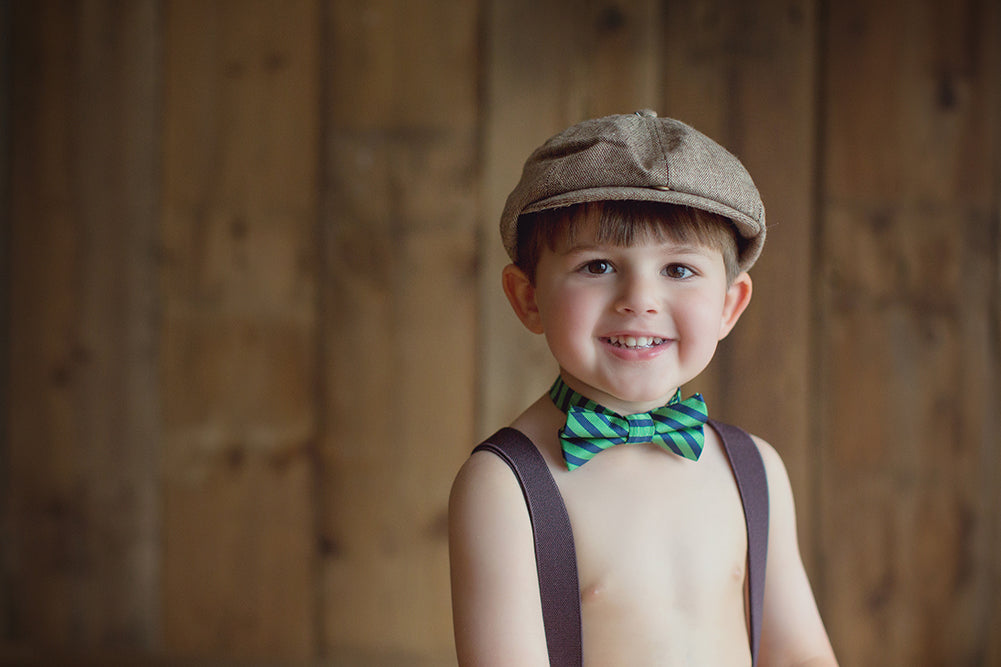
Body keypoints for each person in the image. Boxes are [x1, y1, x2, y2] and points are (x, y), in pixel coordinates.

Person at [449, 110, 837, 666]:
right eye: (599, 265)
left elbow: (799, 653)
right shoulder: (506, 486)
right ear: (529, 297)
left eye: (678, 270)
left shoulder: (755, 468)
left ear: (729, 305)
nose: (640, 299)